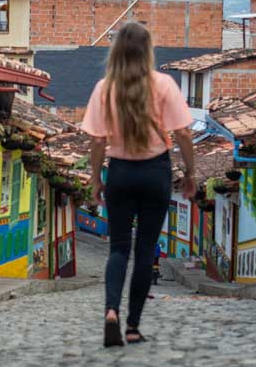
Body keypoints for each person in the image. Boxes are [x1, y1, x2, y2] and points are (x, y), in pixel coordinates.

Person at [83, 21, 196, 346]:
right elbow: (183, 133)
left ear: (116, 51)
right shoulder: (164, 85)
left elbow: (97, 141)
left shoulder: (104, 88)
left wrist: (96, 179)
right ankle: (132, 327)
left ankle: (111, 311)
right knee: (145, 250)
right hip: (154, 172)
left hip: (120, 172)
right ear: (148, 51)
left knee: (118, 248)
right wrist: (190, 173)